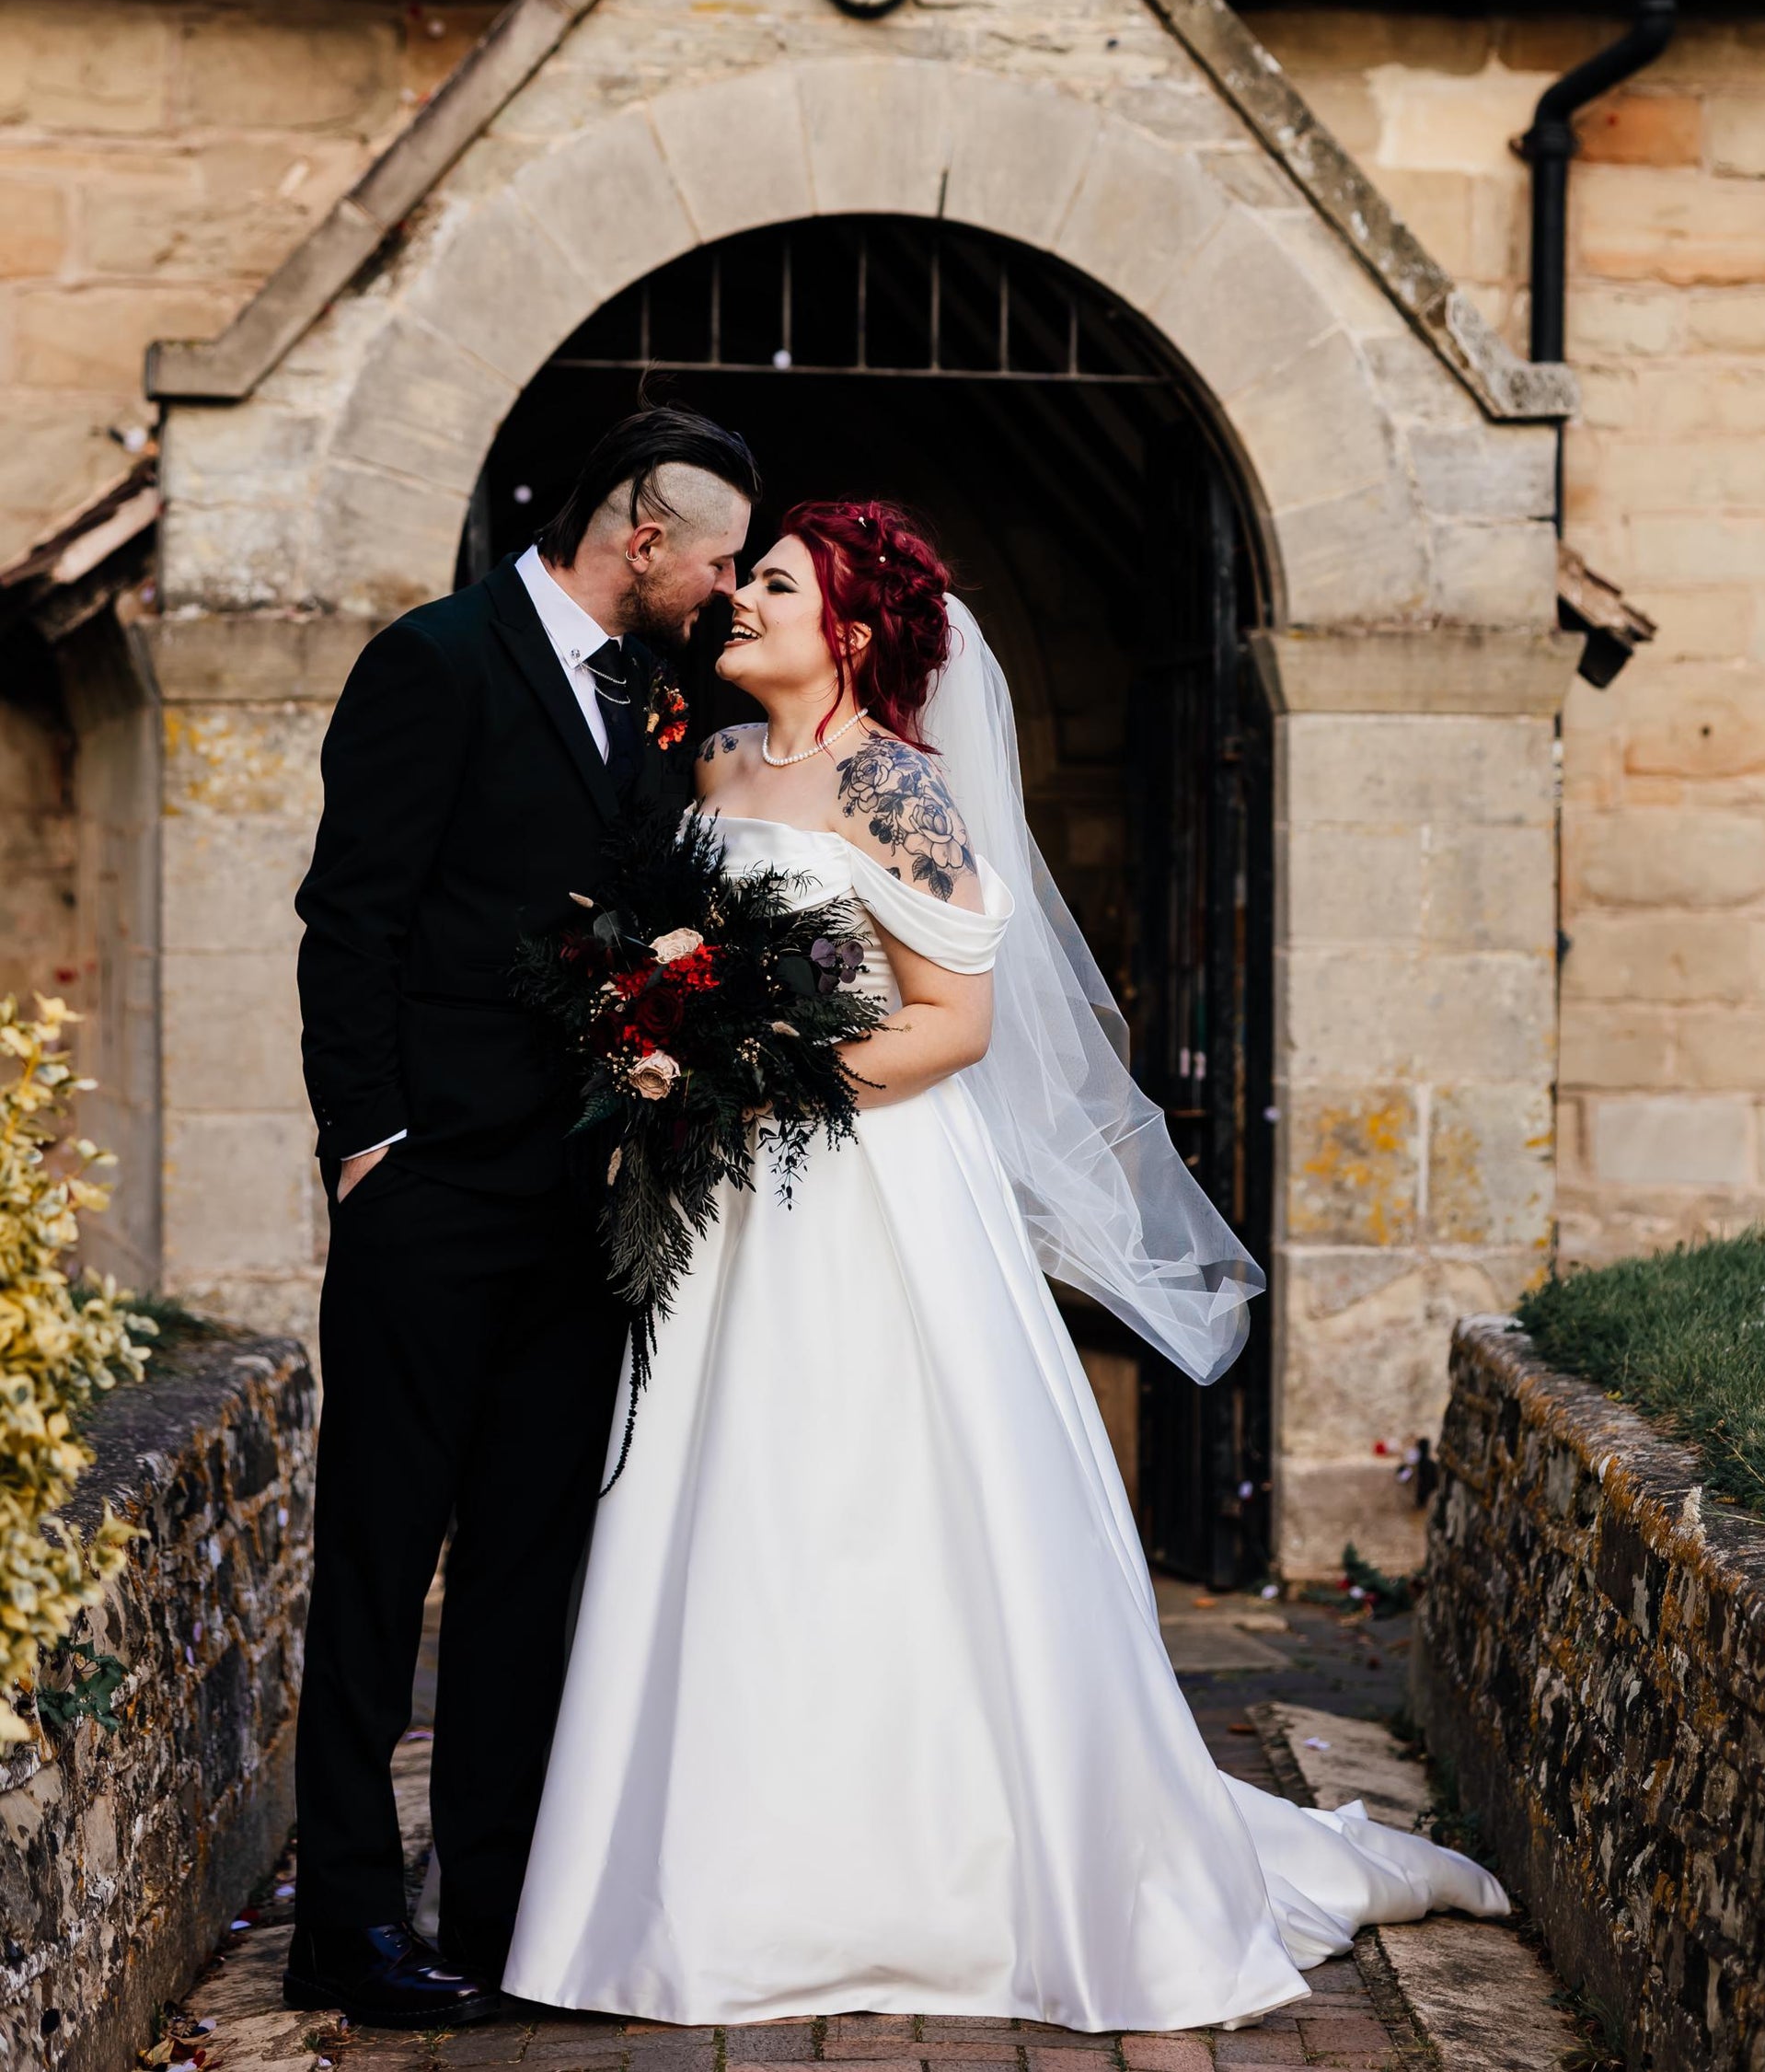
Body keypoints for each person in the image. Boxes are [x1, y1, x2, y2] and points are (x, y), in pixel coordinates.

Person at [503, 498, 1509, 2033]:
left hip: (870, 1192)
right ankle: (706, 1878)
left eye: (773, 583)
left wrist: (746, 1071)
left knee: (879, 1497)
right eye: (746, 578)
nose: (740, 600)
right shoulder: (708, 768)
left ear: (844, 630)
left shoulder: (902, 790)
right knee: (729, 1505)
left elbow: (951, 1028)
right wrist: (651, 1035)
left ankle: (961, 1868)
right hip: (723, 1212)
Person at [284, 405, 759, 2030]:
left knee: (526, 1572)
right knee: (376, 1561)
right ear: (641, 537)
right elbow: (349, 914)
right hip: (431, 1192)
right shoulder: (437, 659)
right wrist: (368, 1143)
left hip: (581, 1205)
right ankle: (343, 1921)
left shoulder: (653, 696)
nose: (717, 589)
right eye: (708, 561)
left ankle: (491, 1914)